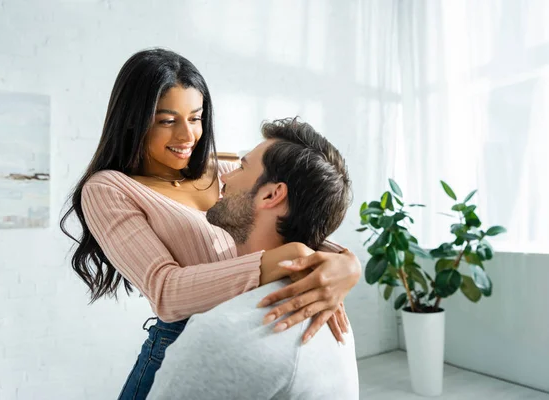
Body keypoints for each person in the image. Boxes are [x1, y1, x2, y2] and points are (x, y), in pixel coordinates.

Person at [59, 48, 361, 400]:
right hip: (178, 345)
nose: (187, 136)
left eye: (196, 117)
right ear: (133, 120)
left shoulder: (224, 172)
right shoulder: (109, 189)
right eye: (167, 121)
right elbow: (165, 291)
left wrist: (345, 263)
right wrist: (284, 260)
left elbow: (284, 215)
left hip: (247, 328)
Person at [148, 118, 359, 399]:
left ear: (271, 194)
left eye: (241, 167)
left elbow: (166, 293)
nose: (224, 177)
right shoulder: (329, 310)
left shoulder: (220, 336)